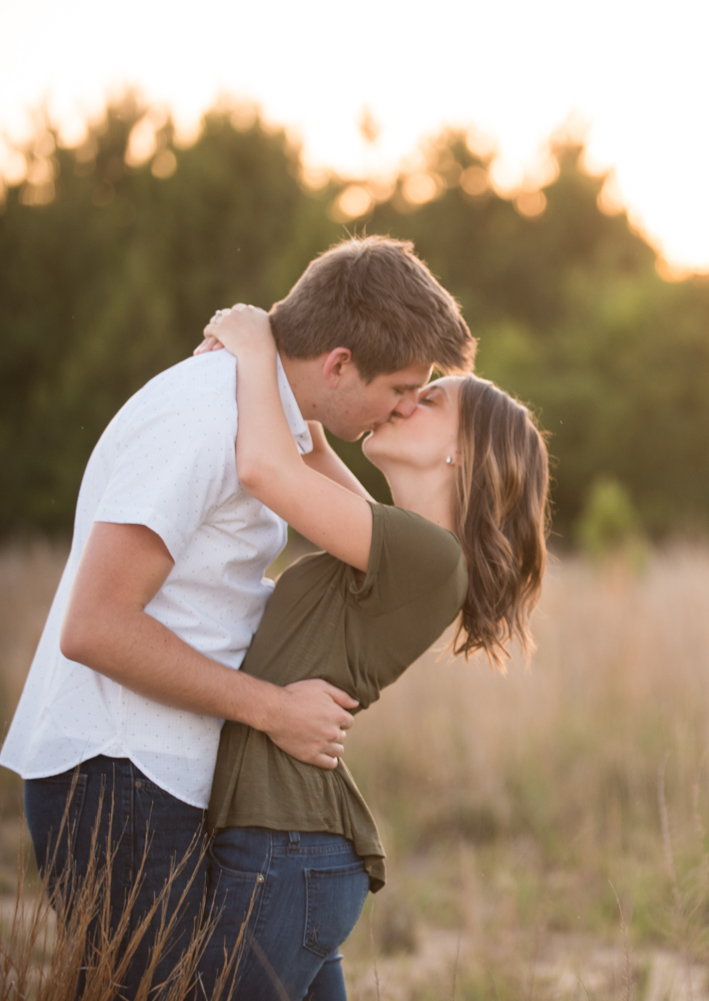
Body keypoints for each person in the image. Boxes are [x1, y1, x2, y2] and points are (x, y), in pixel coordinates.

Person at [0, 236, 475, 996]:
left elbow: (359, 522)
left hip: (166, 777)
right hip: (122, 776)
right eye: (399, 387)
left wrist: (264, 352)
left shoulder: (268, 421)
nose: (403, 404)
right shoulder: (204, 415)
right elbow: (96, 625)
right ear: (340, 364)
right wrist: (274, 710)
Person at [193, 304, 549, 999]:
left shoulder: (427, 555)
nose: (406, 401)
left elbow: (268, 467)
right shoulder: (404, 544)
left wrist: (255, 341)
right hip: (295, 850)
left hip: (283, 848)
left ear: (463, 454)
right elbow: (309, 448)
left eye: (430, 398)